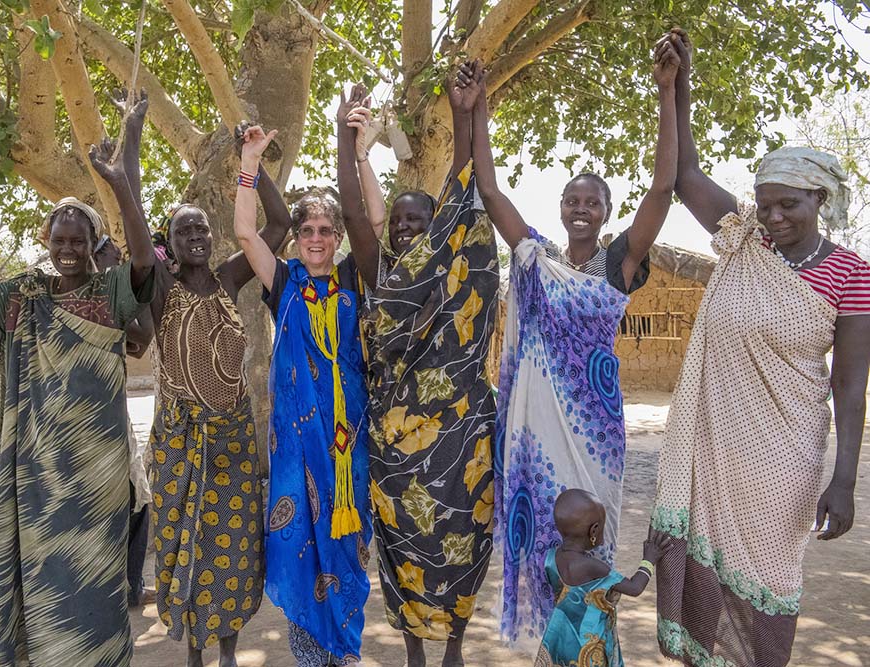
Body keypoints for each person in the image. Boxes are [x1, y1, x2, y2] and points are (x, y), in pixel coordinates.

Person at [650, 30, 870, 667]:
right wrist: (675, 85)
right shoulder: (744, 240)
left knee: (766, 584)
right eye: (766, 204)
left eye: (788, 205)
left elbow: (850, 389)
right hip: (715, 443)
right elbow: (686, 174)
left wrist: (845, 480)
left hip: (784, 457)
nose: (772, 218)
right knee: (704, 580)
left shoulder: (850, 274)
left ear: (819, 201)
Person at [459, 43, 679, 654]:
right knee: (542, 544)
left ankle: (594, 649)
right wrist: (475, 112)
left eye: (593, 202)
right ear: (560, 209)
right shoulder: (535, 257)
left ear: (606, 212)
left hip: (595, 432)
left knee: (591, 539)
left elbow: (663, 190)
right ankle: (553, 649)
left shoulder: (616, 266)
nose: (581, 208)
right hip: (535, 434)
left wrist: (667, 95)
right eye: (572, 200)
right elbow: (488, 186)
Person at [0, 160, 154, 665]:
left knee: (96, 584)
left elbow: (146, 265)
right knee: (47, 586)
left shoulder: (109, 293)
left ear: (93, 243)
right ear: (46, 240)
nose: (68, 251)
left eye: (78, 242)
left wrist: (122, 185)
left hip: (97, 477)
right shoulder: (24, 296)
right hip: (37, 475)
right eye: (59, 241)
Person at [89, 98, 291, 667]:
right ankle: (197, 655)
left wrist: (254, 160)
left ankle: (229, 652)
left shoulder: (230, 277)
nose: (197, 236)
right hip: (179, 440)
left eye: (202, 228)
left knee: (233, 550)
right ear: (170, 245)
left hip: (231, 438)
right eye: (185, 231)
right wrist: (128, 152)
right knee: (185, 548)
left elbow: (278, 226)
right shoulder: (159, 290)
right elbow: (133, 236)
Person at [337, 76, 499, 667]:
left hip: (460, 440)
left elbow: (466, 184)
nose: (403, 228)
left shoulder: (456, 278)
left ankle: (453, 646)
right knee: (402, 547)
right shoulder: (380, 277)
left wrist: (465, 114)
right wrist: (342, 134)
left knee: (461, 543)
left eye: (416, 221)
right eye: (398, 222)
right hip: (395, 449)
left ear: (435, 230)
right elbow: (353, 207)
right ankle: (413, 652)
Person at [235, 125, 373, 666]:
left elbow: (374, 222)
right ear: (295, 240)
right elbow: (247, 234)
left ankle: (345, 653)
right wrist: (250, 163)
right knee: (296, 551)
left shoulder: (354, 282)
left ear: (337, 237)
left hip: (346, 449)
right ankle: (311, 657)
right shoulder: (284, 283)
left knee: (344, 550)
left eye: (325, 229)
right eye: (306, 230)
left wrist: (357, 152)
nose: (315, 238)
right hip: (293, 453)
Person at [535, 489, 671, 667]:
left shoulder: (551, 557)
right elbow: (635, 587)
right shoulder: (594, 568)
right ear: (594, 530)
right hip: (587, 641)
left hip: (558, 635)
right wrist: (649, 560)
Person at [93, 234, 155, 608]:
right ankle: (122, 587)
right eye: (113, 255)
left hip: (113, 414)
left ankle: (129, 585)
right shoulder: (92, 294)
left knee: (137, 499)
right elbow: (140, 335)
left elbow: (140, 340)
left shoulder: (107, 293)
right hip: (92, 420)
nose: (119, 261)